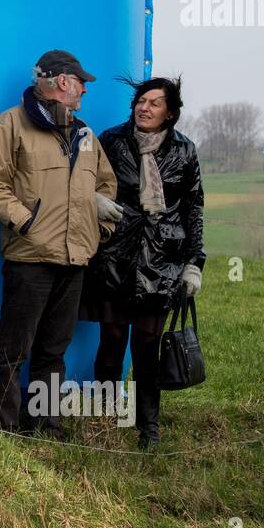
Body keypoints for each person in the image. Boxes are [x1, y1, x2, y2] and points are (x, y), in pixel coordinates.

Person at [0, 50, 119, 436]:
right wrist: (28, 224)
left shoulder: (85, 135)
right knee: (13, 350)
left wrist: (98, 230)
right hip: (31, 258)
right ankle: (3, 426)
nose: (85, 90)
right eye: (80, 82)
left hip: (75, 260)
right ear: (60, 82)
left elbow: (106, 185)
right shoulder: (10, 125)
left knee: (53, 350)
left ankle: (45, 425)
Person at [83, 76, 205, 450]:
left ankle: (147, 427)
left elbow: (193, 208)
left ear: (171, 112)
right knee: (112, 341)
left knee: (147, 348)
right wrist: (94, 202)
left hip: (162, 263)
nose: (144, 107)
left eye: (154, 103)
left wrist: (194, 263)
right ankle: (106, 420)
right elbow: (84, 185)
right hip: (115, 257)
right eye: (141, 100)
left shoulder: (185, 151)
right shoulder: (111, 140)